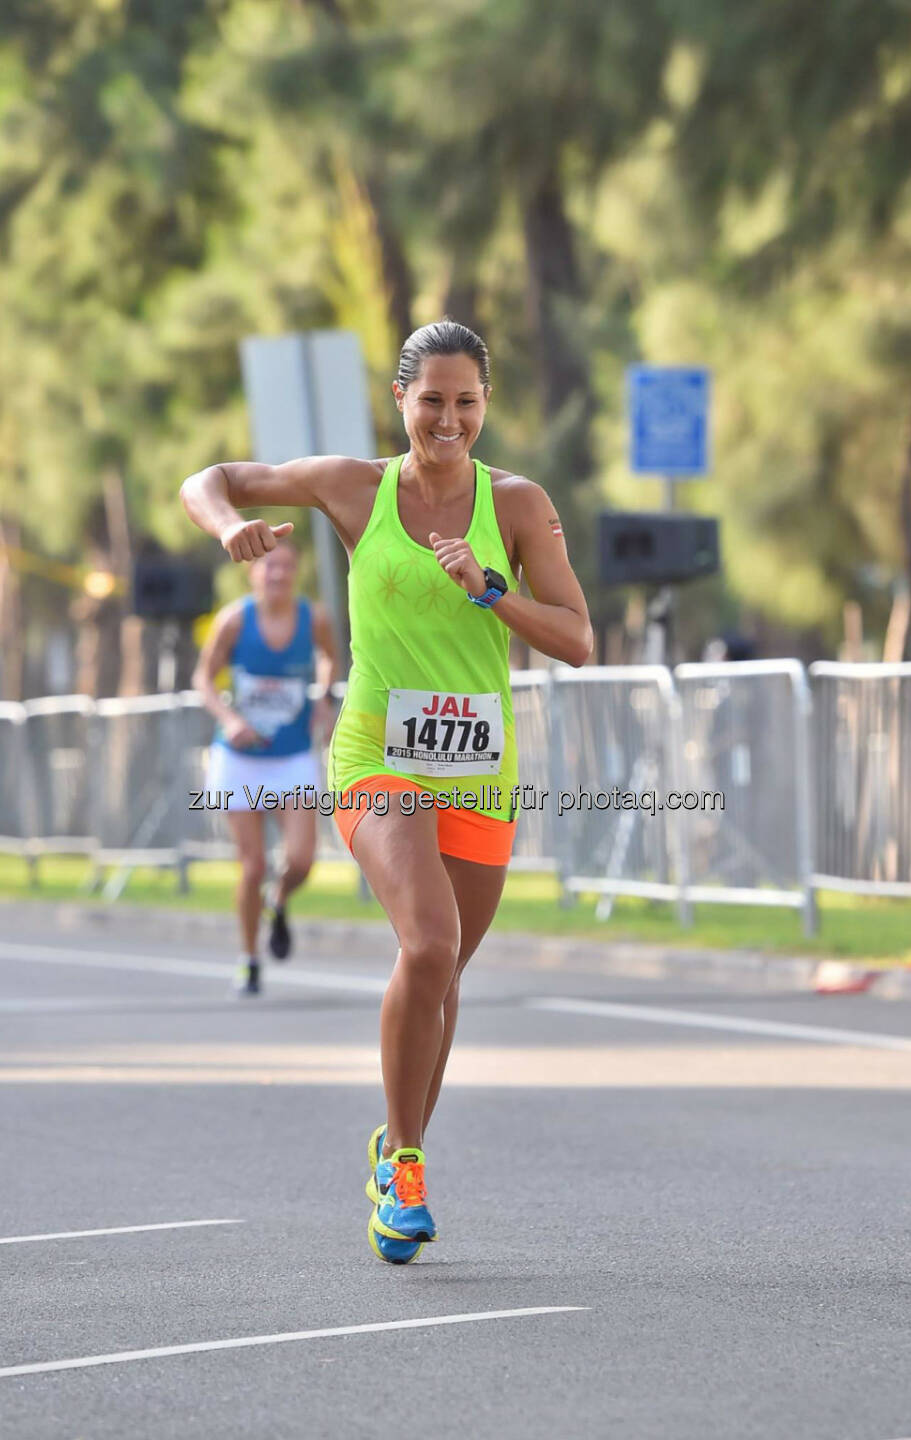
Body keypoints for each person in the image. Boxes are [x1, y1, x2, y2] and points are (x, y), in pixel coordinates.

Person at [181, 319, 592, 1261]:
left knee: (442, 974)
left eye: (466, 402)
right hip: (378, 754)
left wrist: (492, 589)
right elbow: (209, 479)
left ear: (484, 407)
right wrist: (228, 528)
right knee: (430, 938)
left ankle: (395, 1143)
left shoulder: (519, 504)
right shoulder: (353, 487)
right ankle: (406, 1166)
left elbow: (575, 639)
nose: (447, 418)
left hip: (480, 767)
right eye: (431, 400)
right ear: (400, 400)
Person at [192, 541, 337, 995]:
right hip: (241, 759)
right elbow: (203, 678)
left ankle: (279, 899)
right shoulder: (234, 620)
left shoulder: (312, 618)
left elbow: (332, 657)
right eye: (270, 566)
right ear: (254, 573)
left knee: (302, 860)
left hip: (291, 754)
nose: (278, 574)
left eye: (287, 566)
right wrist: (230, 719)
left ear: (296, 573)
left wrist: (324, 697)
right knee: (252, 866)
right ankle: (249, 958)